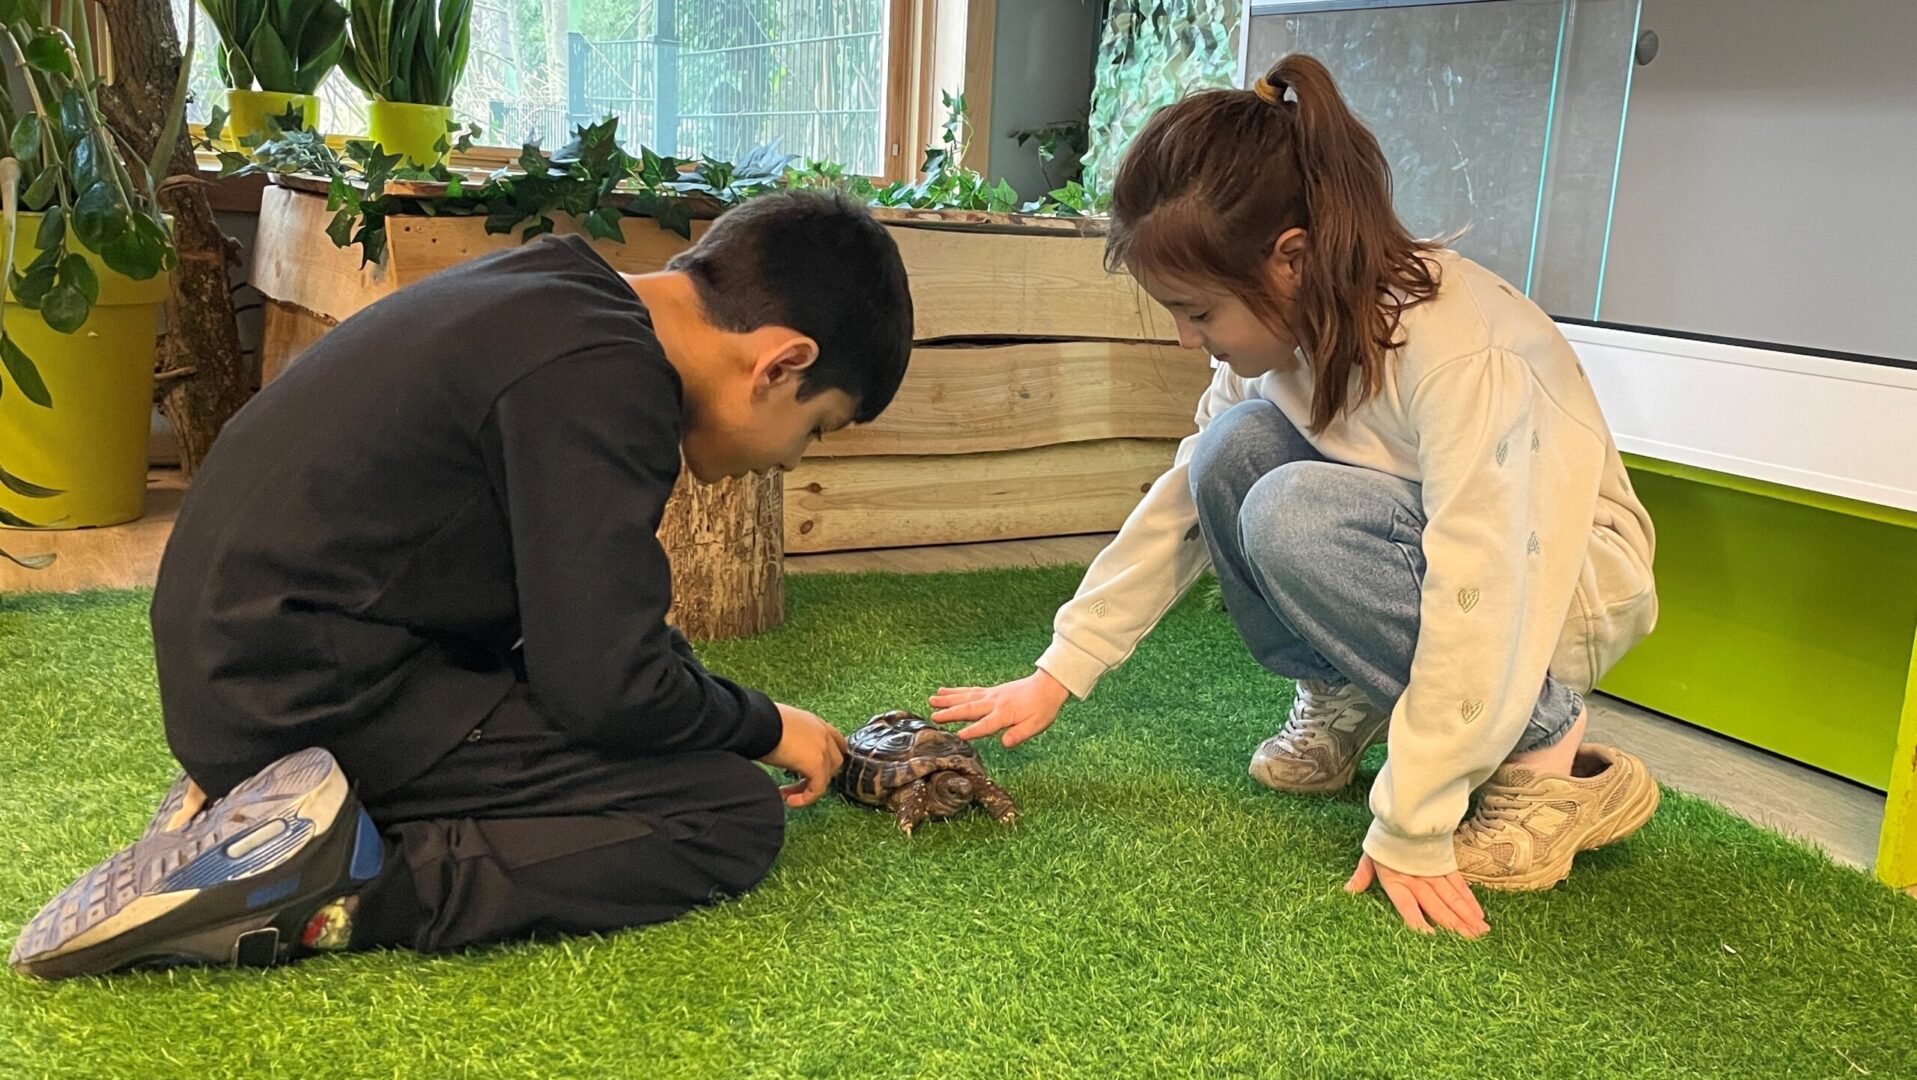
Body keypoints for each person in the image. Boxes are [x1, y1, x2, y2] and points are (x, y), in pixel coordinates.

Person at [10, 190, 914, 979]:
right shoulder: (607, 382)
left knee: (649, 735)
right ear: (781, 364)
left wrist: (715, 706)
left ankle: (265, 807)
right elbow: (606, 689)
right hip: (295, 693)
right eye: (817, 432)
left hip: (259, 658)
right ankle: (339, 881)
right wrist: (764, 726)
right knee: (719, 812)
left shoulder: (556, 298)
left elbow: (584, 626)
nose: (789, 461)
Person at [928, 55, 1660, 939]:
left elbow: (1489, 581)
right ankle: (1350, 689)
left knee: (1292, 512)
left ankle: (1547, 755)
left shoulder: (1462, 356)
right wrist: (1060, 670)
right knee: (1229, 456)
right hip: (1418, 546)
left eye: (1197, 311)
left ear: (1291, 260)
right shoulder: (1282, 347)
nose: (1183, 335)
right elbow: (1180, 507)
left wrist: (1412, 822)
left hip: (1560, 583)